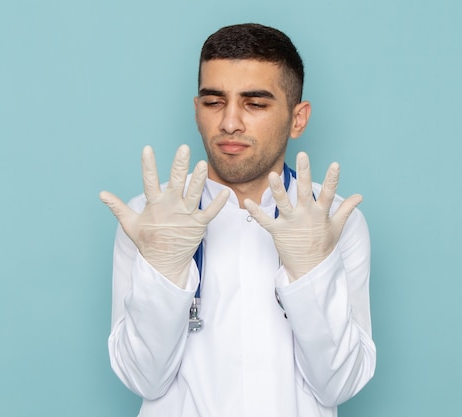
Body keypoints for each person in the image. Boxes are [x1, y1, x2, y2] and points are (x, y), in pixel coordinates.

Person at [99, 23, 376, 417]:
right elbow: (144, 379)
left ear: (298, 119)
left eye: (255, 104)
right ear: (197, 111)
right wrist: (163, 270)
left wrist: (312, 271)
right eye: (214, 102)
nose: (230, 122)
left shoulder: (336, 222)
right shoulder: (149, 219)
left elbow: (339, 385)